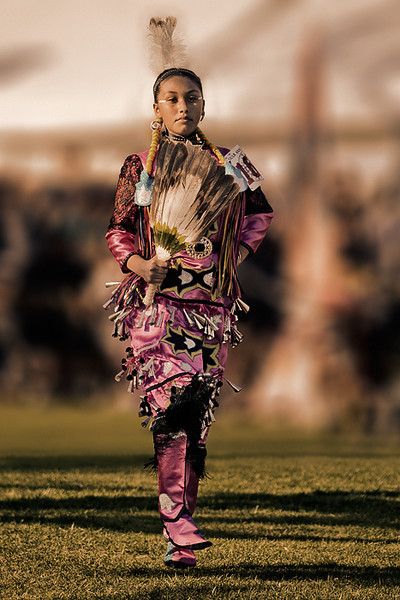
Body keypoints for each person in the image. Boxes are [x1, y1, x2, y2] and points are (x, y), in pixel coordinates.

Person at [104, 66, 273, 568]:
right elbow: (118, 231)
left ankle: (181, 537)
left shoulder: (231, 165)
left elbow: (260, 215)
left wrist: (233, 256)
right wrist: (140, 265)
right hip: (158, 307)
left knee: (196, 418)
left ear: (203, 105)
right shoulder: (140, 166)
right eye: (171, 99)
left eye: (191, 98)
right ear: (155, 108)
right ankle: (176, 520)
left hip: (212, 310)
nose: (182, 107)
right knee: (171, 405)